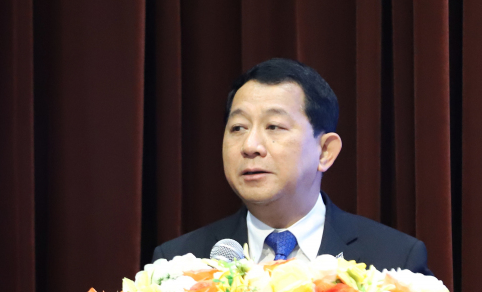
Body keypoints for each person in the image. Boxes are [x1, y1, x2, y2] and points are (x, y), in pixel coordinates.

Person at [151, 58, 432, 275]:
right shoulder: (178, 264)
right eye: (238, 127)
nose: (250, 146)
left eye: (274, 126)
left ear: (325, 151)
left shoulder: (394, 261)